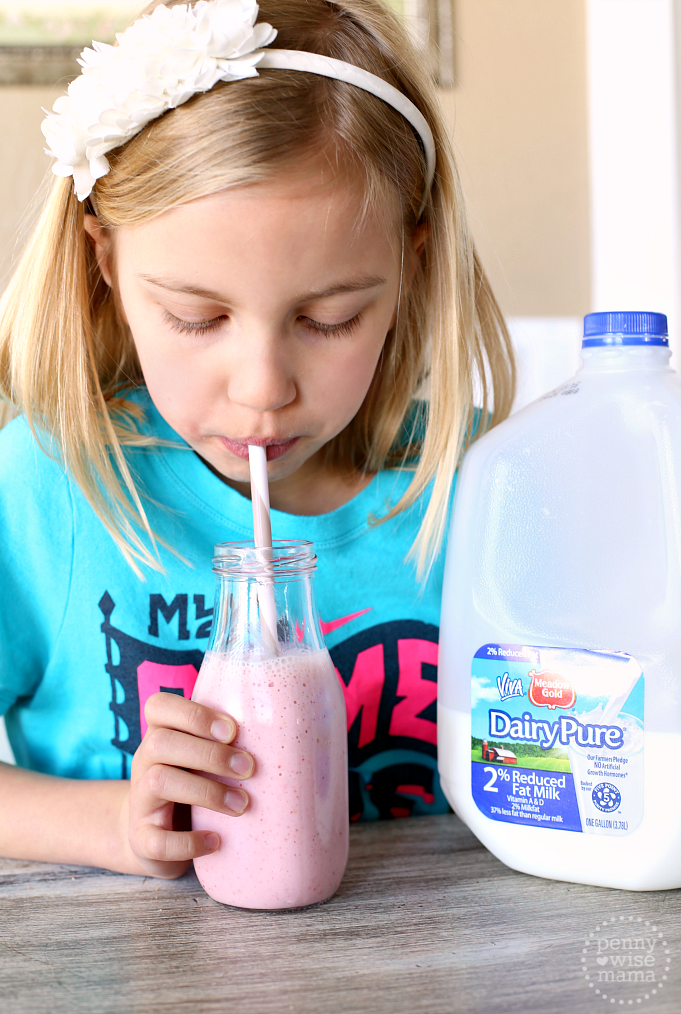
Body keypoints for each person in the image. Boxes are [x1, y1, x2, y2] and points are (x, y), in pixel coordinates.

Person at [0, 0, 514, 879]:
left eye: (329, 317)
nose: (263, 388)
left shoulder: (482, 486)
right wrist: (115, 823)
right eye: (197, 318)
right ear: (105, 263)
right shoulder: (50, 487)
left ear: (411, 267)